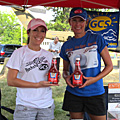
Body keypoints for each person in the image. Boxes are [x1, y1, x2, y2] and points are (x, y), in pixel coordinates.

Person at [60, 7, 113, 120]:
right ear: (70, 22)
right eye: (74, 20)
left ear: (86, 22)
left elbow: (109, 66)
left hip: (95, 92)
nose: (77, 24)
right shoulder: (66, 46)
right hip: (74, 93)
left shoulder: (97, 39)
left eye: (81, 20)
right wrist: (66, 78)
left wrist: (94, 79)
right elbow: (65, 70)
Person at [6, 18, 59, 120]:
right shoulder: (19, 53)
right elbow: (11, 81)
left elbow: (46, 74)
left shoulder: (48, 55)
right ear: (28, 32)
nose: (39, 34)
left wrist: (54, 77)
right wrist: (37, 85)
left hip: (46, 105)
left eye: (42, 31)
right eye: (35, 30)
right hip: (25, 106)